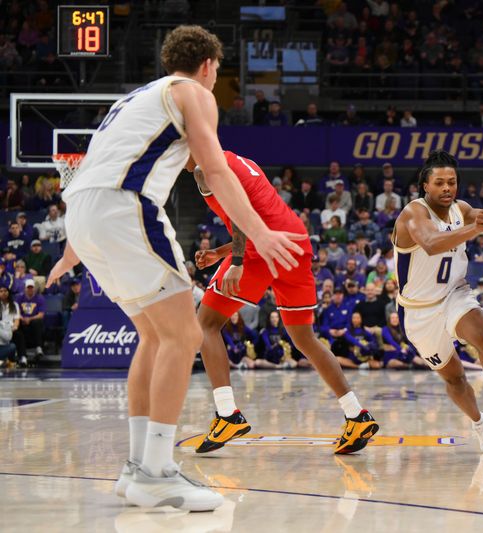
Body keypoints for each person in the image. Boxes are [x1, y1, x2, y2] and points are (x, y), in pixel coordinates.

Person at [47, 26, 306, 511]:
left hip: (83, 212)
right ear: (209, 66)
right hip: (124, 208)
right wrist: (261, 232)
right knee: (185, 336)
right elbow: (216, 169)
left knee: (155, 336)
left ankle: (136, 468)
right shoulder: (193, 93)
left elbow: (97, 173)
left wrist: (74, 249)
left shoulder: (136, 98)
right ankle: (157, 472)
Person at [189, 150, 379, 455]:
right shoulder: (241, 160)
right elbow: (259, 214)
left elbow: (242, 213)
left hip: (260, 251)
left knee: (206, 325)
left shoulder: (204, 169)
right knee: (304, 337)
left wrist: (236, 261)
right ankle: (357, 415)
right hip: (294, 244)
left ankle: (227, 415)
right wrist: (221, 254)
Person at [392, 150, 483, 454]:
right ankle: (481, 424)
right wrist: (476, 228)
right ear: (425, 186)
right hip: (418, 312)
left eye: (452, 182)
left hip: (455, 293)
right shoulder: (413, 214)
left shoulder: (461, 208)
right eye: (440, 183)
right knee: (455, 378)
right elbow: (430, 244)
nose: (447, 188)